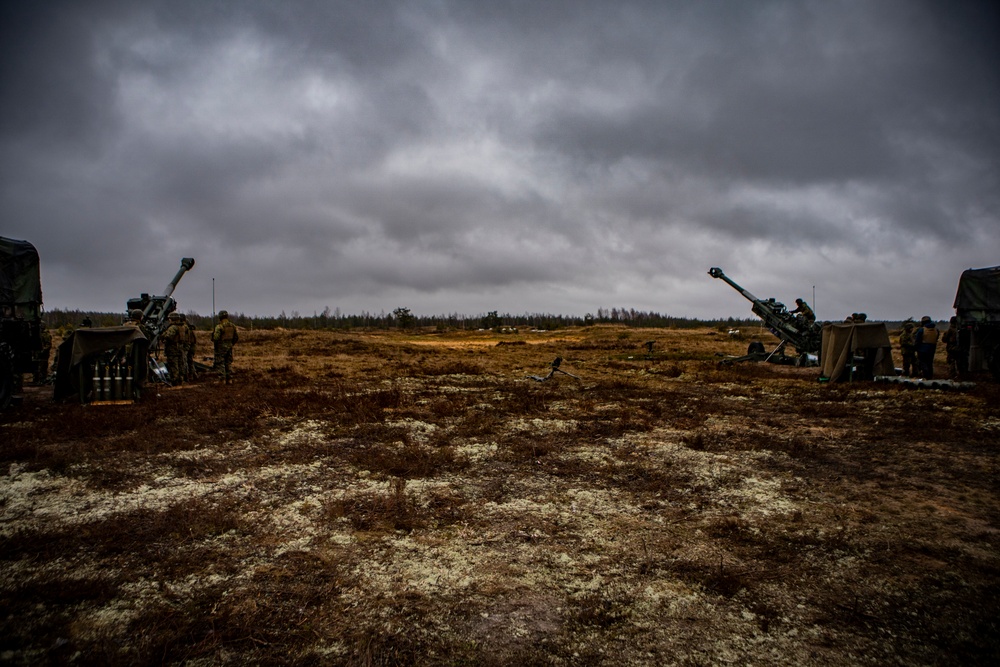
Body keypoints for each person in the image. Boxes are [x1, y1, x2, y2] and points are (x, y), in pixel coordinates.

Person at [212, 310, 239, 383]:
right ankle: (229, 378)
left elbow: (216, 338)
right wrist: (230, 344)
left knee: (220, 362)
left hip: (221, 347)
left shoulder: (219, 326)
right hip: (229, 346)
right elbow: (236, 337)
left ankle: (222, 379)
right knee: (228, 362)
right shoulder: (232, 326)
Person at [161, 312, 186, 385]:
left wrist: (163, 335)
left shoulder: (173, 327)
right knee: (180, 364)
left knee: (173, 365)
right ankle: (180, 380)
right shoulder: (182, 327)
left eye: (169, 319)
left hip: (173, 349)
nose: (169, 320)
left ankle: (174, 381)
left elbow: (169, 336)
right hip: (180, 349)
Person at [914, 316, 939, 380]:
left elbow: (917, 340)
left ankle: (926, 376)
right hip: (932, 349)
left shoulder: (922, 330)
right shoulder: (936, 330)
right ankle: (930, 376)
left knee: (923, 362)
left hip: (922, 349)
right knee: (930, 363)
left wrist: (915, 347)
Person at [180, 314, 197, 380]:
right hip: (192, 346)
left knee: (185, 360)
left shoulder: (184, 327)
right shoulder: (189, 326)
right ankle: (193, 375)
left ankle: (187, 376)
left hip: (188, 346)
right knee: (190, 360)